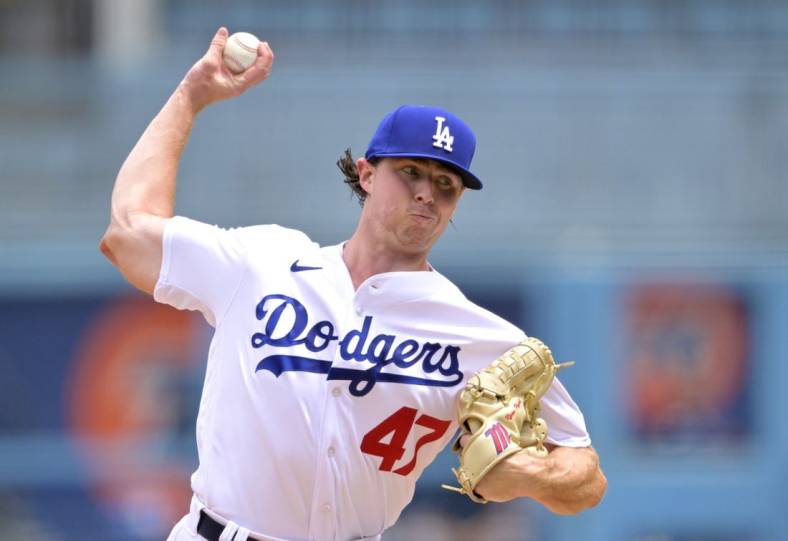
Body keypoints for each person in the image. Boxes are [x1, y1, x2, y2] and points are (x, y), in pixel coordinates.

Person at [100, 27, 607, 541]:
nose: (427, 194)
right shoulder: (262, 262)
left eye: (446, 184)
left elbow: (587, 474)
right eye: (411, 172)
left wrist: (532, 476)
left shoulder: (477, 337)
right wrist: (191, 97)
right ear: (366, 174)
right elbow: (127, 233)